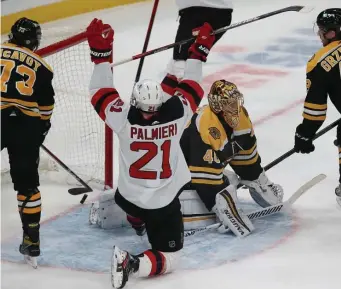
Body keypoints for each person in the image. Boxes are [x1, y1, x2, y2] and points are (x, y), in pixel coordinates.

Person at [86, 18, 214, 288]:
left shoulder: (122, 117)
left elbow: (100, 91)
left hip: (129, 196)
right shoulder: (178, 115)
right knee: (172, 257)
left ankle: (137, 222)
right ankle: (130, 263)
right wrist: (198, 53)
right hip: (162, 203)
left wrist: (101, 55)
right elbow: (192, 85)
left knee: (131, 200)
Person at [178, 80, 284, 235]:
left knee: (235, 171)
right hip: (185, 179)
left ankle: (255, 181)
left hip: (205, 169)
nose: (234, 107)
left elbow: (244, 147)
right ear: (217, 105)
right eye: (228, 103)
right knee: (225, 184)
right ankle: (216, 208)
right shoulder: (205, 123)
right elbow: (203, 174)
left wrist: (253, 174)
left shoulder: (238, 115)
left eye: (235, 101)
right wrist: (224, 207)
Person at [1, 17, 55, 267]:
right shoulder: (43, 67)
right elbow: (46, 107)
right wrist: (40, 131)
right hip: (26, 126)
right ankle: (31, 241)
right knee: (27, 187)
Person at [293, 8, 341, 206]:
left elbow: (316, 109)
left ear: (332, 32)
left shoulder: (320, 61)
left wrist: (304, 133)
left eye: (322, 30)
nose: (320, 34)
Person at [168, 0, 233, 79]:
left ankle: (184, 84)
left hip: (194, 12)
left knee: (182, 62)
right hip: (223, 14)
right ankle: (177, 82)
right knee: (193, 55)